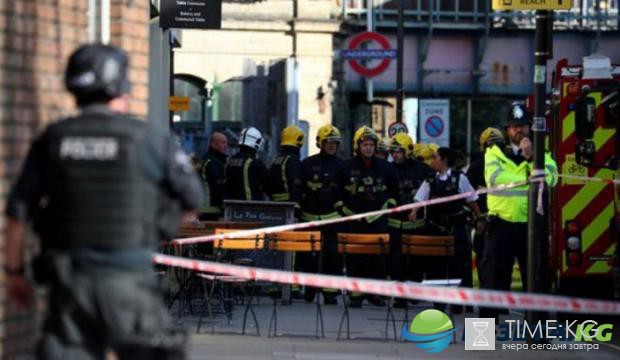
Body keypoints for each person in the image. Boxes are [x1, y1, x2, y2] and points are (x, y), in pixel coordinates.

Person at [4, 44, 204, 359]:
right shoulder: (149, 138)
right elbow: (192, 199)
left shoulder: (54, 138)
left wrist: (13, 273)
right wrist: (156, 224)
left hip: (71, 284)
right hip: (129, 282)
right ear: (121, 89)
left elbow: (18, 214)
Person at [478, 103, 558, 321]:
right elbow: (494, 179)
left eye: (522, 126)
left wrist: (532, 157)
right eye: (514, 127)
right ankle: (481, 338)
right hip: (500, 225)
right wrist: (527, 178)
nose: (519, 131)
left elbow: (551, 178)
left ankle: (538, 336)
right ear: (507, 130)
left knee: (536, 282)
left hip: (530, 226)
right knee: (491, 280)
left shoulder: (541, 153)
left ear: (529, 127)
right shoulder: (493, 153)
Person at [409, 147, 480, 313]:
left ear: (444, 160)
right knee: (436, 266)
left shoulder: (459, 178)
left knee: (458, 265)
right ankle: (438, 303)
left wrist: (479, 218)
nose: (432, 161)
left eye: (435, 158)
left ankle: (458, 302)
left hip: (456, 228)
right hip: (435, 229)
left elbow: (472, 200)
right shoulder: (430, 180)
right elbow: (420, 199)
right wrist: (414, 211)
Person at [340, 126, 398, 308]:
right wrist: (344, 210)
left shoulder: (385, 167)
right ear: (358, 146)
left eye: (371, 145)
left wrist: (388, 204)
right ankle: (355, 295)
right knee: (354, 257)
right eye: (365, 144)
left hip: (377, 220)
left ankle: (375, 294)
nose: (368, 148)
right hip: (354, 219)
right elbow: (337, 192)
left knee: (377, 257)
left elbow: (394, 191)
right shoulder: (346, 166)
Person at [299, 124, 345, 304]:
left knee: (332, 255)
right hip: (309, 216)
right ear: (321, 143)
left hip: (332, 217)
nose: (332, 145)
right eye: (329, 142)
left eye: (335, 142)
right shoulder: (308, 164)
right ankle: (310, 287)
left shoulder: (342, 165)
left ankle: (330, 292)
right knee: (307, 256)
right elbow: (299, 187)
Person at [387, 133, 432, 308]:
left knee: (417, 261)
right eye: (393, 151)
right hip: (395, 224)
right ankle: (400, 297)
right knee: (396, 261)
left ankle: (414, 289)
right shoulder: (388, 169)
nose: (395, 155)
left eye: (399, 151)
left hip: (417, 225)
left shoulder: (422, 169)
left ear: (408, 151)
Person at [466, 127, 505, 284]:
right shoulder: (475, 169)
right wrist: (477, 219)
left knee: (498, 261)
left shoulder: (509, 164)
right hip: (486, 222)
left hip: (500, 221)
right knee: (487, 260)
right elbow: (468, 198)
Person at [224, 126, 270, 201]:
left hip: (231, 208)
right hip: (250, 208)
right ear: (255, 142)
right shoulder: (254, 162)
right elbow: (268, 183)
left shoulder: (230, 160)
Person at [269, 125, 304, 208]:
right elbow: (296, 185)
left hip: (274, 205)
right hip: (289, 205)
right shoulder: (293, 160)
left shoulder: (276, 159)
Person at [199, 131, 228, 221]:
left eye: (226, 143)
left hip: (207, 209)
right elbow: (217, 187)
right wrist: (223, 205)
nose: (226, 146)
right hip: (211, 210)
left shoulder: (210, 160)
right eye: (223, 142)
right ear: (213, 144)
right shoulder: (213, 162)